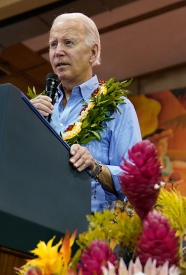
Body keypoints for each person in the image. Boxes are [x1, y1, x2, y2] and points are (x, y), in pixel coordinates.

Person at [30, 13, 142, 212]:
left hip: (92, 235)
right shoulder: (38, 108)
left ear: (93, 52)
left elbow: (136, 181)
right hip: (37, 221)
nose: (58, 52)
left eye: (68, 42)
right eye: (53, 44)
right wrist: (22, 121)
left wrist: (94, 166)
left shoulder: (118, 108)